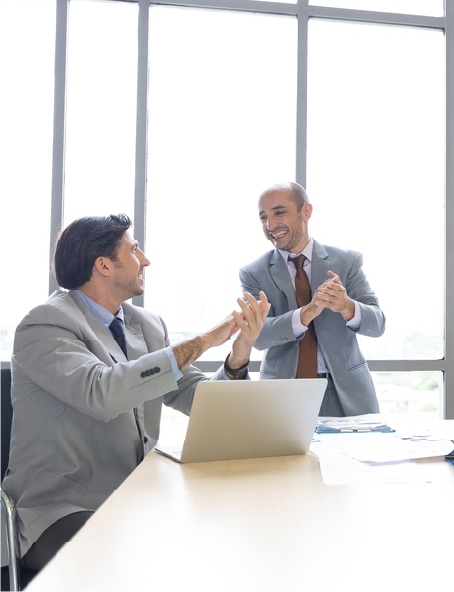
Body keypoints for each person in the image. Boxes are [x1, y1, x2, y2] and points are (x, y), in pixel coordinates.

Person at [2, 214, 270, 570]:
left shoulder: (146, 325)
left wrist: (240, 352)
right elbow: (102, 393)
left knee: (223, 536)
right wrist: (204, 341)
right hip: (60, 508)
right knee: (145, 558)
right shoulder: (46, 324)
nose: (145, 260)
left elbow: (200, 399)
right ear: (103, 265)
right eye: (134, 250)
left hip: (136, 498)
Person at [239, 182, 385, 417]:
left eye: (279, 212)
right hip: (283, 395)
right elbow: (256, 336)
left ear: (306, 212)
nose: (271, 225)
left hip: (346, 393)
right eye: (263, 217)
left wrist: (347, 307)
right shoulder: (254, 273)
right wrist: (306, 313)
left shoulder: (347, 262)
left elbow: (378, 325)